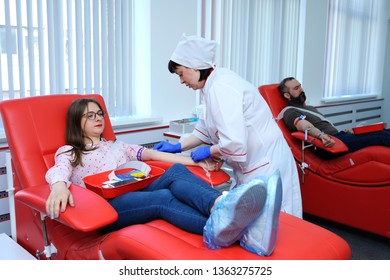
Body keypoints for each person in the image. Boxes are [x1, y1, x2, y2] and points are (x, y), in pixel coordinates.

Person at [45, 97, 281, 255]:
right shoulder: (70, 151)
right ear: (77, 122)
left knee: (176, 173)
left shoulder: (116, 145)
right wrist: (58, 187)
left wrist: (197, 161)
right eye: (90, 116)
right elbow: (59, 170)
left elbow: (151, 155)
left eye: (100, 114)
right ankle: (240, 231)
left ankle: (222, 204)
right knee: (162, 198)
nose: (98, 118)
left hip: (133, 190)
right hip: (107, 207)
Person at [154, 34, 302, 219]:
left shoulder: (221, 87)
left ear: (194, 67)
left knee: (273, 224)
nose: (181, 81)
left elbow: (234, 143)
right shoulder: (212, 86)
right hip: (253, 165)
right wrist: (178, 146)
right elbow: (205, 128)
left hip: (266, 163)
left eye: (181, 74)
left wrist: (208, 152)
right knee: (250, 223)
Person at [278, 77, 390, 159]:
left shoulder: (309, 108)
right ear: (287, 95)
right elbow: (302, 125)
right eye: (296, 88)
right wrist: (321, 136)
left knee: (382, 130)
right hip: (326, 146)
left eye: (300, 86)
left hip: (338, 137)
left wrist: (347, 133)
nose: (301, 89)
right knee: (380, 136)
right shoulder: (289, 111)